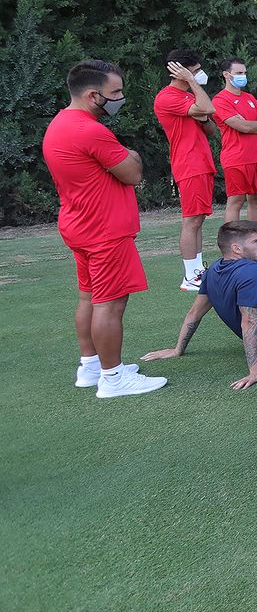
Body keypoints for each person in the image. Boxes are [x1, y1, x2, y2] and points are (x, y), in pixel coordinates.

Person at [41, 60, 167, 398]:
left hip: (80, 224)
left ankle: (91, 367)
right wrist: (131, 153)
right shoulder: (90, 130)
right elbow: (133, 173)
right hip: (104, 229)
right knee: (109, 303)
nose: (120, 98)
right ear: (93, 95)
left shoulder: (60, 123)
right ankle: (112, 378)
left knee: (89, 297)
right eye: (116, 92)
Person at [142, 220, 257, 390]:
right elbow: (249, 321)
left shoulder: (213, 270)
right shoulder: (252, 270)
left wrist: (177, 349)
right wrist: (255, 370)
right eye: (256, 241)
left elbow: (194, 313)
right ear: (236, 248)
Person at [154, 49, 219, 291]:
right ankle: (190, 275)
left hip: (200, 163)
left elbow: (211, 128)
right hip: (189, 164)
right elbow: (209, 107)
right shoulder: (167, 97)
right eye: (196, 70)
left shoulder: (189, 97)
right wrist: (192, 81)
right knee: (191, 220)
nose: (200, 74)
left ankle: (198, 270)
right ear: (180, 71)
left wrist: (203, 119)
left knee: (198, 218)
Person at [212, 57, 257, 253]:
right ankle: (231, 245)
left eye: (244, 72)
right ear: (226, 75)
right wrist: (256, 125)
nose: (243, 76)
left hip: (256, 157)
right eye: (238, 73)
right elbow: (242, 126)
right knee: (236, 201)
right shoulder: (220, 100)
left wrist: (252, 125)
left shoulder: (250, 98)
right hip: (236, 158)